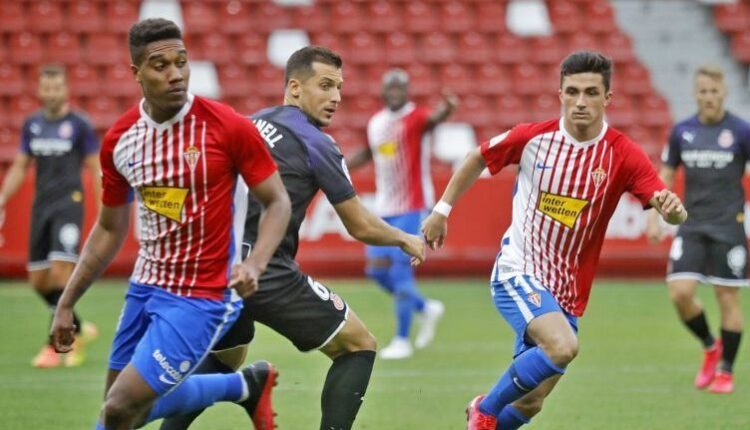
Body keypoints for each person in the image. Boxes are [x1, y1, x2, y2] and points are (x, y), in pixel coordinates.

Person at [159, 46, 426, 430]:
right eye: (326, 85)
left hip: (217, 269)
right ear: (295, 88)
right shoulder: (317, 144)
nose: (335, 97)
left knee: (227, 357)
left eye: (339, 88)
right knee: (358, 345)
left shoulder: (252, 122)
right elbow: (359, 226)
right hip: (265, 272)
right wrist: (404, 238)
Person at [422, 51, 688, 430]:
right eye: (573, 92)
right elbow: (477, 157)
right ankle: (483, 409)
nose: (581, 102)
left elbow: (669, 208)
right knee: (563, 347)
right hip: (518, 270)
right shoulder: (533, 138)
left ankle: (491, 421)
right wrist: (441, 210)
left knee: (531, 403)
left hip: (567, 291)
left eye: (591, 93)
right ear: (560, 94)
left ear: (607, 98)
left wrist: (672, 210)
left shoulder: (622, 154)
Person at [49, 18, 292, 430]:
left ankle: (241, 387)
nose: (176, 74)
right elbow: (109, 229)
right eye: (161, 65)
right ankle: (243, 386)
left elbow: (277, 202)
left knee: (119, 408)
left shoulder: (226, 126)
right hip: (146, 286)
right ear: (136, 73)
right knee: (120, 413)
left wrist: (255, 264)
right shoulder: (121, 141)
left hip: (204, 295)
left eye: (182, 62)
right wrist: (67, 302)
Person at [646, 64, 748, 394]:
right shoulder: (682, 132)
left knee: (727, 298)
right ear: (695, 94)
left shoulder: (742, 131)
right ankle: (709, 345)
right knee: (680, 292)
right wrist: (653, 213)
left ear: (724, 93)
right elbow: (665, 173)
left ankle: (726, 371)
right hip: (690, 225)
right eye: (702, 91)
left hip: (728, 226)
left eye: (713, 91)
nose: (708, 97)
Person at [346, 69, 458, 359]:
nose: (395, 91)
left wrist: (447, 109)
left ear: (407, 91)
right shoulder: (377, 123)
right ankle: (425, 307)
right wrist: (339, 167)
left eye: (400, 87)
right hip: (384, 209)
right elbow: (369, 153)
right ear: (383, 91)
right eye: (390, 87)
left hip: (413, 206)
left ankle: (402, 339)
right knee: (377, 270)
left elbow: (434, 119)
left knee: (400, 270)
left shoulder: (417, 117)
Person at [0, 64, 100, 368]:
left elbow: (95, 167)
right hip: (41, 206)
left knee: (60, 273)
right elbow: (19, 165)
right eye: (47, 88)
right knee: (39, 282)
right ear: (40, 91)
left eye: (57, 87)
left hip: (69, 204)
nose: (52, 93)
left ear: (66, 89)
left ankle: (57, 345)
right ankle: (80, 327)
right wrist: (3, 198)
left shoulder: (80, 125)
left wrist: (104, 207)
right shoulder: (33, 125)